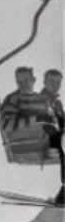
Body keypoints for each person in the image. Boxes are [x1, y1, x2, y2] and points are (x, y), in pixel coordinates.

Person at [42, 68, 65, 204]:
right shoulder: (40, 100)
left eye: (58, 82)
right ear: (45, 82)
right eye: (52, 82)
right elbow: (43, 123)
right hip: (46, 137)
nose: (55, 86)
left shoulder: (57, 103)